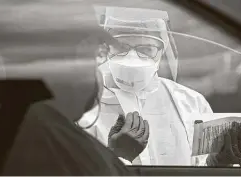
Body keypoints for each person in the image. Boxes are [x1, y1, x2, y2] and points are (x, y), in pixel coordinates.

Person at [0, 0, 149, 175]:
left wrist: (115, 155)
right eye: (96, 53)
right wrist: (111, 159)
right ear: (83, 51)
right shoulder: (60, 143)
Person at [78, 6, 213, 166]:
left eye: (146, 49)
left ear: (162, 51)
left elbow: (207, 168)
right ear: (107, 49)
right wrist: (118, 156)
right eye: (122, 47)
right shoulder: (81, 107)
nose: (132, 58)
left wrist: (219, 162)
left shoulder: (191, 103)